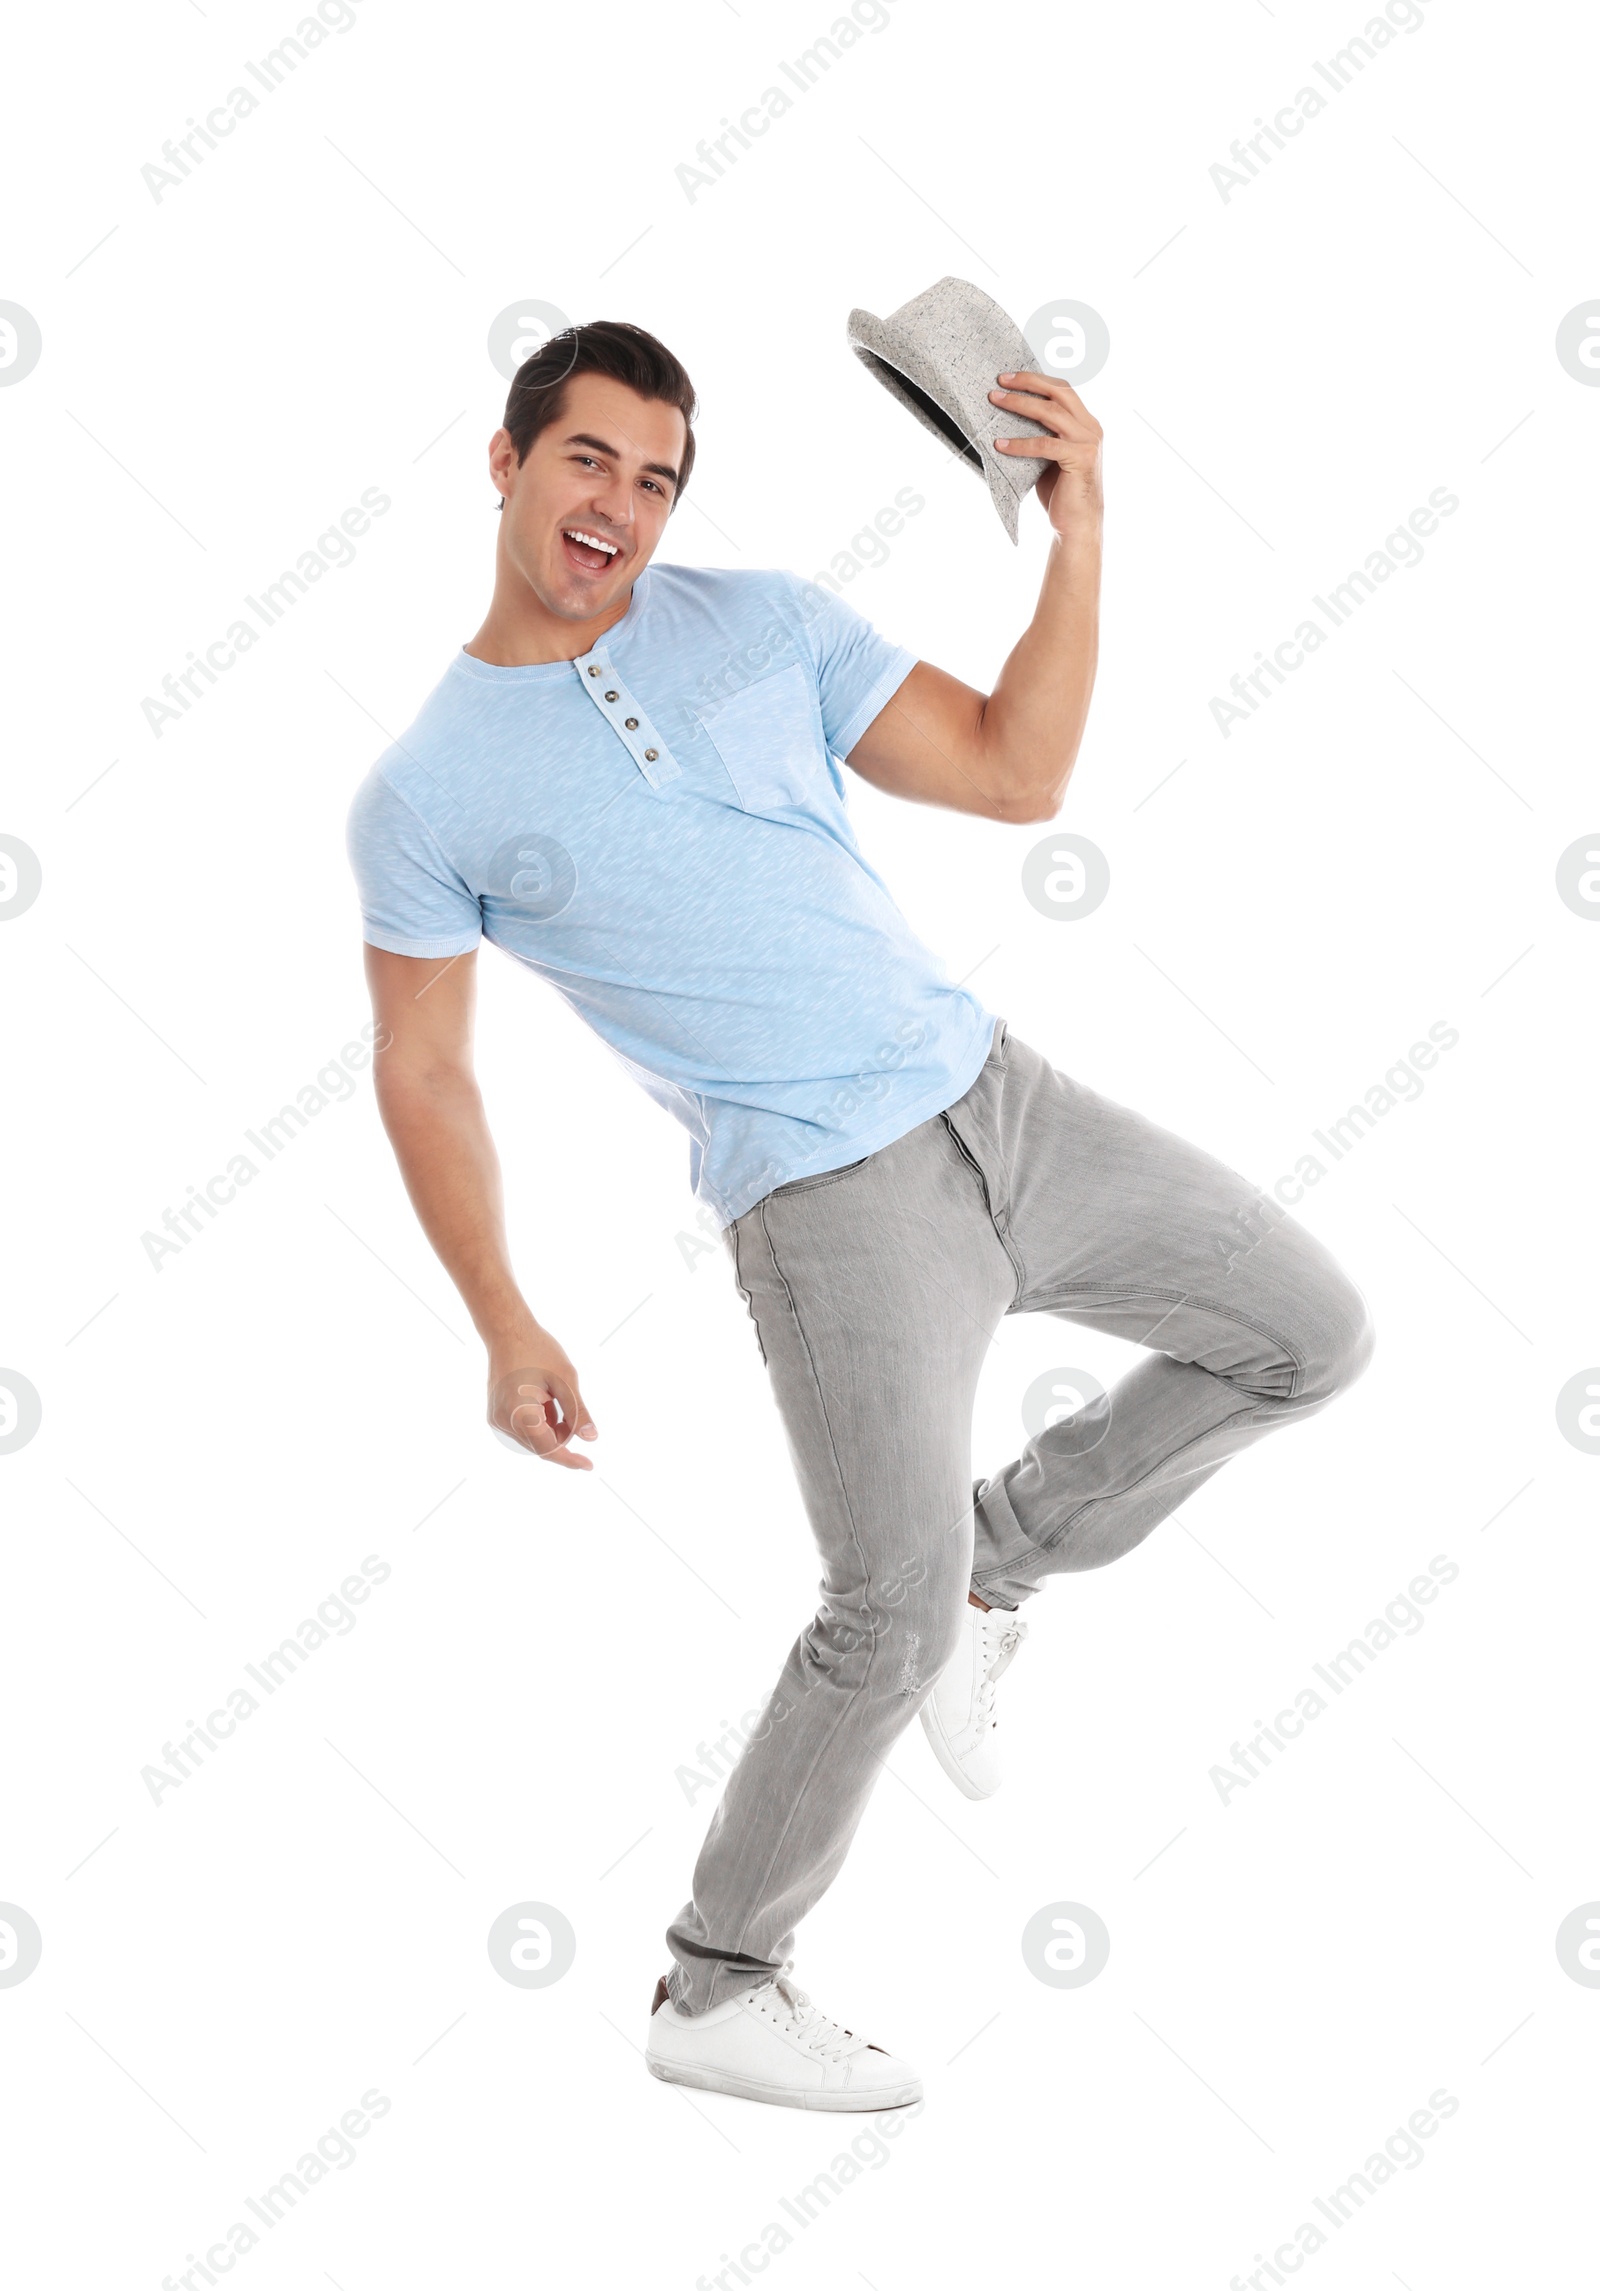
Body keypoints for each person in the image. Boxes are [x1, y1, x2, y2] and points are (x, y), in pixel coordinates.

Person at [346, 318, 1374, 2115]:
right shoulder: (426, 793)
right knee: (878, 1618)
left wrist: (1084, 533)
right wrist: (505, 1314)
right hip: (825, 1206)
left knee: (1310, 1332)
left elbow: (1010, 770)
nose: (622, 507)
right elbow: (425, 1075)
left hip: (999, 1095)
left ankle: (1012, 1554)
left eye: (657, 479)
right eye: (588, 461)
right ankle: (718, 1982)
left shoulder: (763, 623)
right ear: (504, 464)